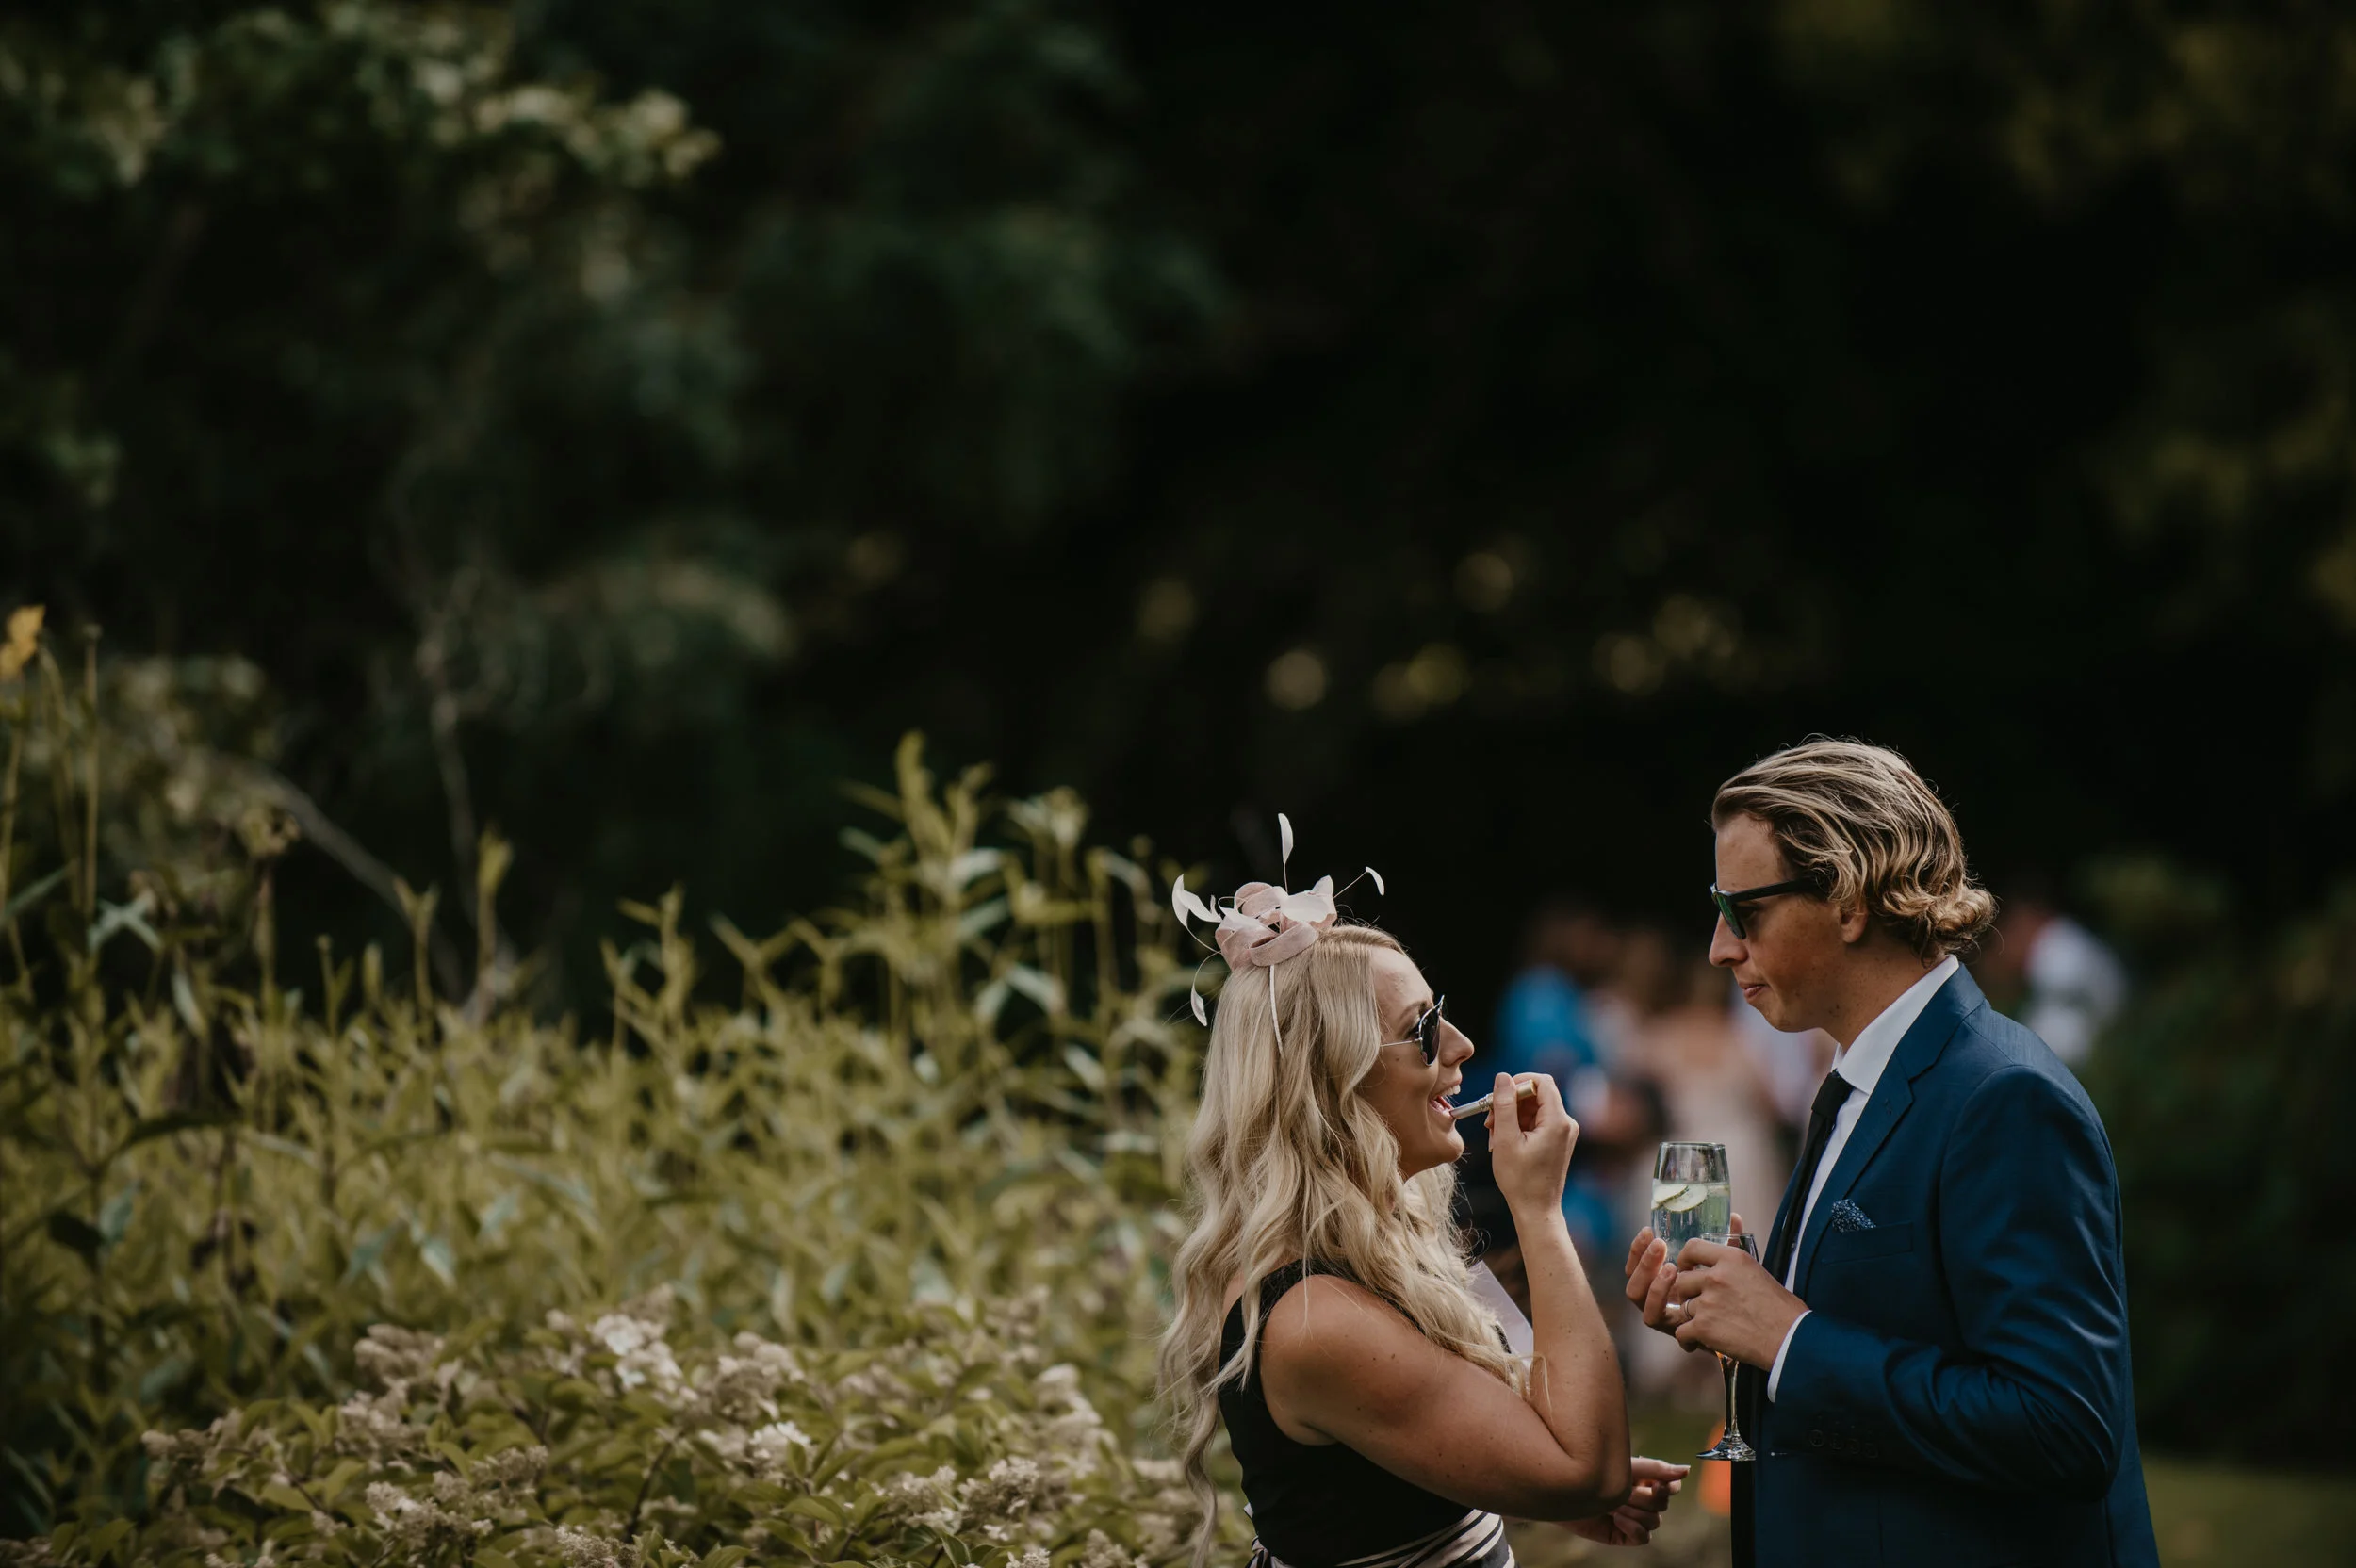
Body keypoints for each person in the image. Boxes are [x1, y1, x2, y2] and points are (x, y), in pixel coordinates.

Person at [1623, 740, 2159, 1568]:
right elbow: (1885, 1320)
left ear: (1848, 901)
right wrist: (1739, 1306)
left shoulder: (2004, 1098)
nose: (1718, 949)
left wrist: (1789, 1338)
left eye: (1745, 912)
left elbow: (2063, 1427)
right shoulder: (1860, 1078)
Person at [1158, 869, 1687, 1567]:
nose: (1463, 1046)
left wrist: (1500, 1475)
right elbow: (1586, 1470)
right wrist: (1539, 1211)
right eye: (1424, 1029)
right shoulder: (1316, 1316)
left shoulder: (1372, 1248)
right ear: (1332, 1080)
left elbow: (1382, 1473)